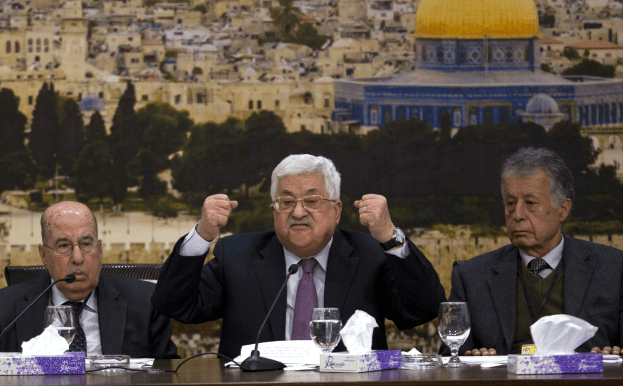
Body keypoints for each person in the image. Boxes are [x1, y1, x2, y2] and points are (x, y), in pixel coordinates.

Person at [152, 154, 446, 360]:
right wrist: (202, 235)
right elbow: (174, 304)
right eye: (286, 201)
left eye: (312, 200)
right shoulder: (238, 257)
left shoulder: (370, 255)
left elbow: (422, 308)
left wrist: (390, 237)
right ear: (273, 211)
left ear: (337, 210)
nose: (298, 212)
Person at [447, 147, 623, 356]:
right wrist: (472, 362)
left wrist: (618, 356)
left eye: (530, 203)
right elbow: (450, 358)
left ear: (562, 209)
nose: (517, 214)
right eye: (510, 203)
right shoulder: (472, 277)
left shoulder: (615, 269)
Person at [0, 201, 178, 358]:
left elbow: (168, 372)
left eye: (86, 244)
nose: (78, 257)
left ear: (99, 250)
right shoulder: (3, 310)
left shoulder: (146, 304)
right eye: (64, 245)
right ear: (44, 255)